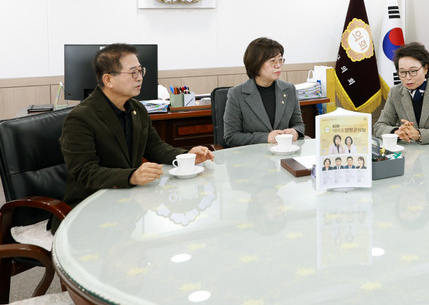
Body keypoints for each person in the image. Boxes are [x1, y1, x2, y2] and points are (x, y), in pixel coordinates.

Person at [57, 44, 213, 230]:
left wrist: (187, 156)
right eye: (133, 73)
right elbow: (85, 172)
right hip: (89, 207)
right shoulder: (81, 117)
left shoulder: (137, 109)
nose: (139, 77)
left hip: (127, 201)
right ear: (108, 79)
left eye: (140, 71)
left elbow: (155, 147)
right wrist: (131, 176)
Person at [223, 37, 305, 147]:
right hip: (252, 155)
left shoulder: (289, 89)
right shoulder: (237, 94)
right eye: (272, 61)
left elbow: (299, 124)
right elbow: (231, 137)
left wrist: (296, 132)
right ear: (256, 63)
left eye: (280, 60)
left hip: (284, 152)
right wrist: (266, 137)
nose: (278, 65)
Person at [374, 42, 429, 144]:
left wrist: (419, 134)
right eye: (402, 72)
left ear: (426, 68)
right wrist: (396, 132)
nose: (408, 77)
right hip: (409, 151)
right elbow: (379, 126)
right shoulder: (395, 92)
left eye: (413, 71)